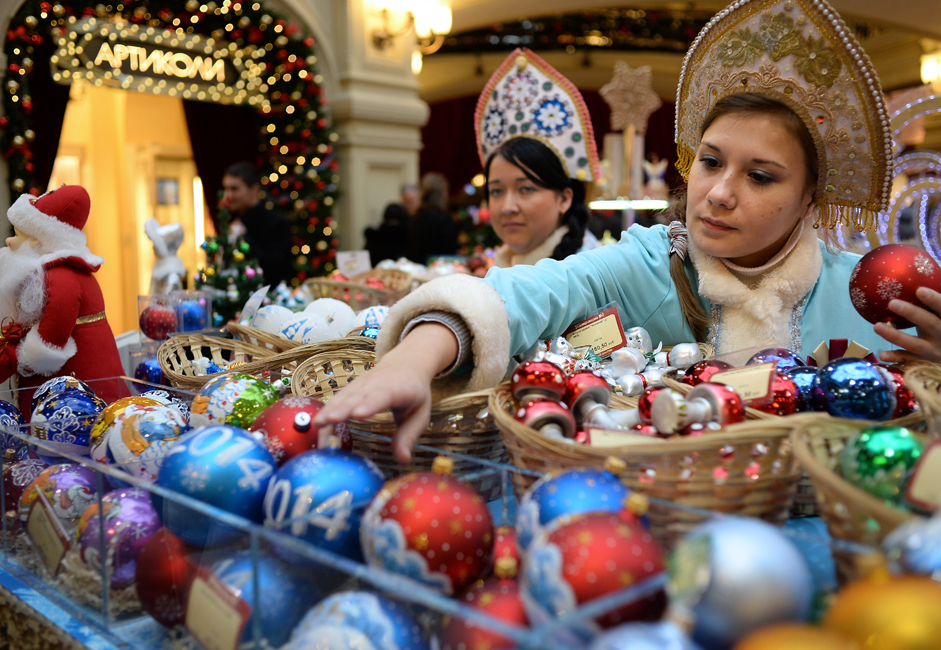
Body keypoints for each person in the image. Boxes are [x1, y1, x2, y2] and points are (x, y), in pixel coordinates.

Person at [315, 1, 941, 464]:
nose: (719, 192)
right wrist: (414, 358)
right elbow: (527, 293)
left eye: (761, 176)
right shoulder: (652, 262)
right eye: (713, 161)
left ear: (809, 197)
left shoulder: (859, 291)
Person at [0, 185, 128, 414]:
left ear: (39, 241)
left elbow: (50, 341)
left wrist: (13, 359)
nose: (9, 242)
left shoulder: (61, 278)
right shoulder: (57, 274)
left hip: (79, 400)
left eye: (18, 235)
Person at [474, 51, 601, 267]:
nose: (507, 207)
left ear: (564, 199)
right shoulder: (504, 266)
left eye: (526, 189)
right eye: (496, 191)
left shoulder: (588, 275)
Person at [222, 161, 293, 286]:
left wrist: (243, 238)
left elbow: (274, 270)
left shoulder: (277, 224)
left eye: (234, 189)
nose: (228, 195)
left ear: (254, 190)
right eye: (226, 189)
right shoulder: (230, 222)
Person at [406, 172, 458, 264]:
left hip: (418, 272)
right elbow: (449, 253)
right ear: (442, 193)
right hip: (440, 272)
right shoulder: (444, 219)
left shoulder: (416, 217)